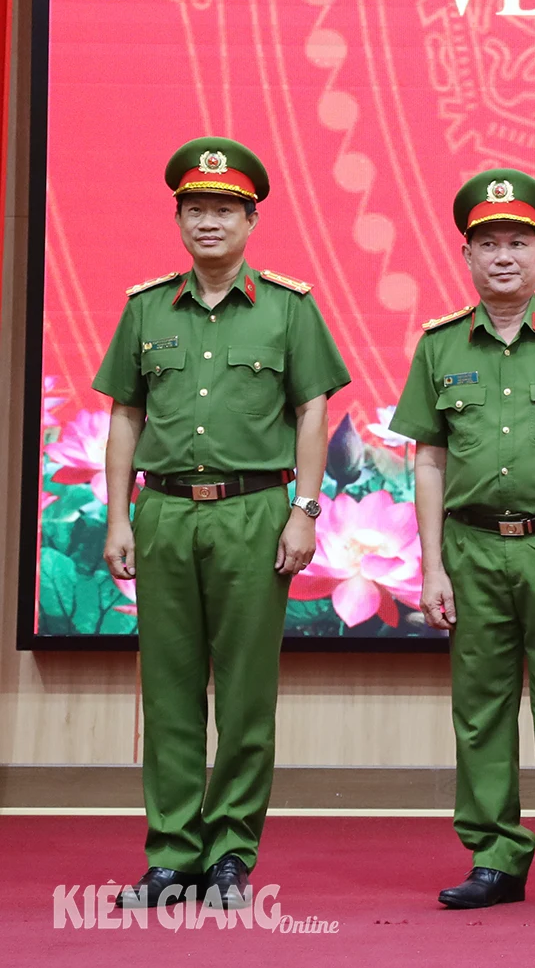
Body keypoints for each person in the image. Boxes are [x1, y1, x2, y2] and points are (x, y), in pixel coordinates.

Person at [97, 138, 351, 909]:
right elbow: (125, 414)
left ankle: (232, 852)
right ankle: (172, 853)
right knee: (169, 690)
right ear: (179, 217)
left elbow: (314, 409)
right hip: (166, 512)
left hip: (253, 512)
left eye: (225, 210)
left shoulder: (288, 307)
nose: (209, 222)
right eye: (196, 209)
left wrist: (304, 510)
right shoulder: (146, 307)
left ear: (250, 219)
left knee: (245, 693)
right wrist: (118, 516)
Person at [389, 169, 535, 911]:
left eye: (518, 242)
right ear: (466, 255)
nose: (504, 256)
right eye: (488, 243)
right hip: (470, 549)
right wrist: (431, 565)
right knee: (481, 706)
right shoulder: (437, 346)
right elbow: (428, 459)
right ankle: (494, 855)